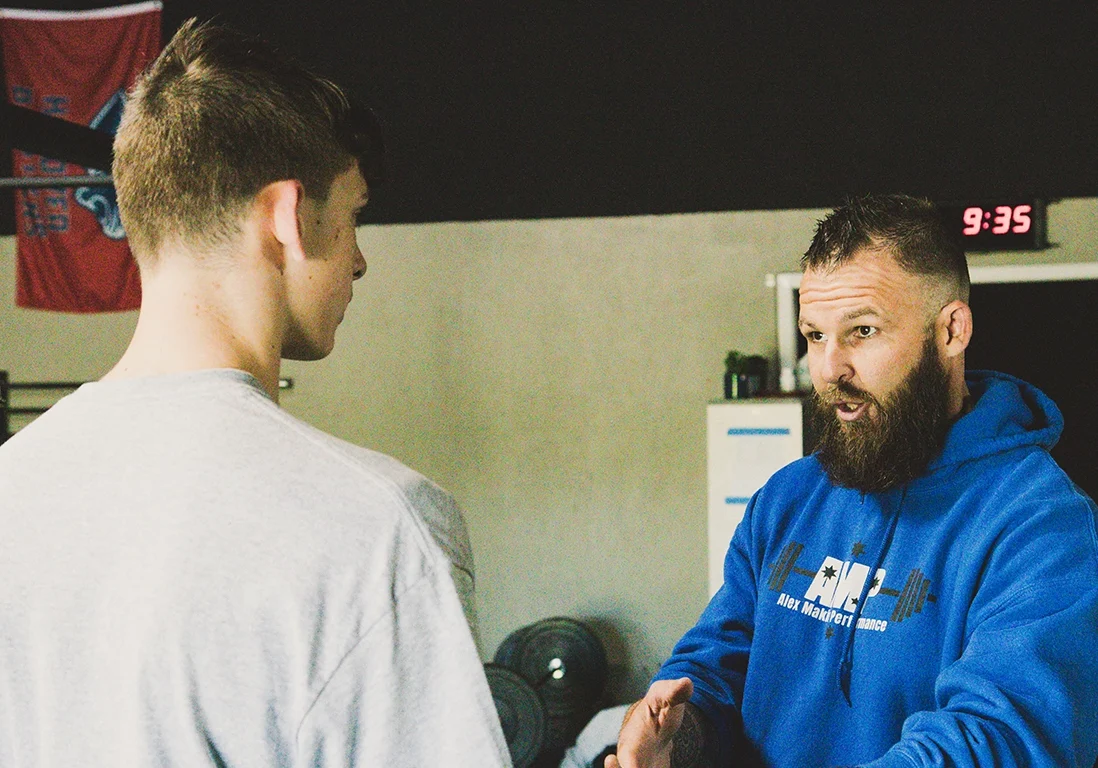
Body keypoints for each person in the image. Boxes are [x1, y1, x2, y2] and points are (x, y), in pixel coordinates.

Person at [0, 19, 510, 766]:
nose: (361, 261)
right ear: (285, 219)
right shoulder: (382, 530)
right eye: (353, 214)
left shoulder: (11, 489)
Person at [610, 194, 1098, 767]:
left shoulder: (1043, 524)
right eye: (815, 335)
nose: (828, 368)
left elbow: (1001, 737)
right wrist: (674, 739)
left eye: (862, 331)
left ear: (951, 331)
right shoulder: (787, 499)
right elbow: (716, 670)